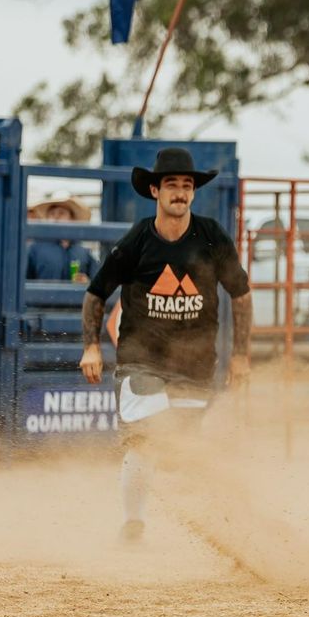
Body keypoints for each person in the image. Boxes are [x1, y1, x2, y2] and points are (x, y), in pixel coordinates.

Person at [79, 148, 252, 543]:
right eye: (171, 184)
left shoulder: (211, 237)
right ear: (155, 190)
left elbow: (240, 294)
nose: (180, 192)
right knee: (146, 438)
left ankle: (216, 529)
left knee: (183, 449)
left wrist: (240, 355)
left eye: (187, 185)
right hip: (142, 362)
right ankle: (134, 524)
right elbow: (96, 293)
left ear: (193, 192)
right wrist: (91, 346)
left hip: (195, 367)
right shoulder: (139, 239)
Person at [25, 191, 98, 281]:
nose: (56, 218)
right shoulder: (34, 249)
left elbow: (96, 284)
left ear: (72, 219)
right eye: (52, 214)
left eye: (61, 213)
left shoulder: (84, 252)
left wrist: (86, 282)